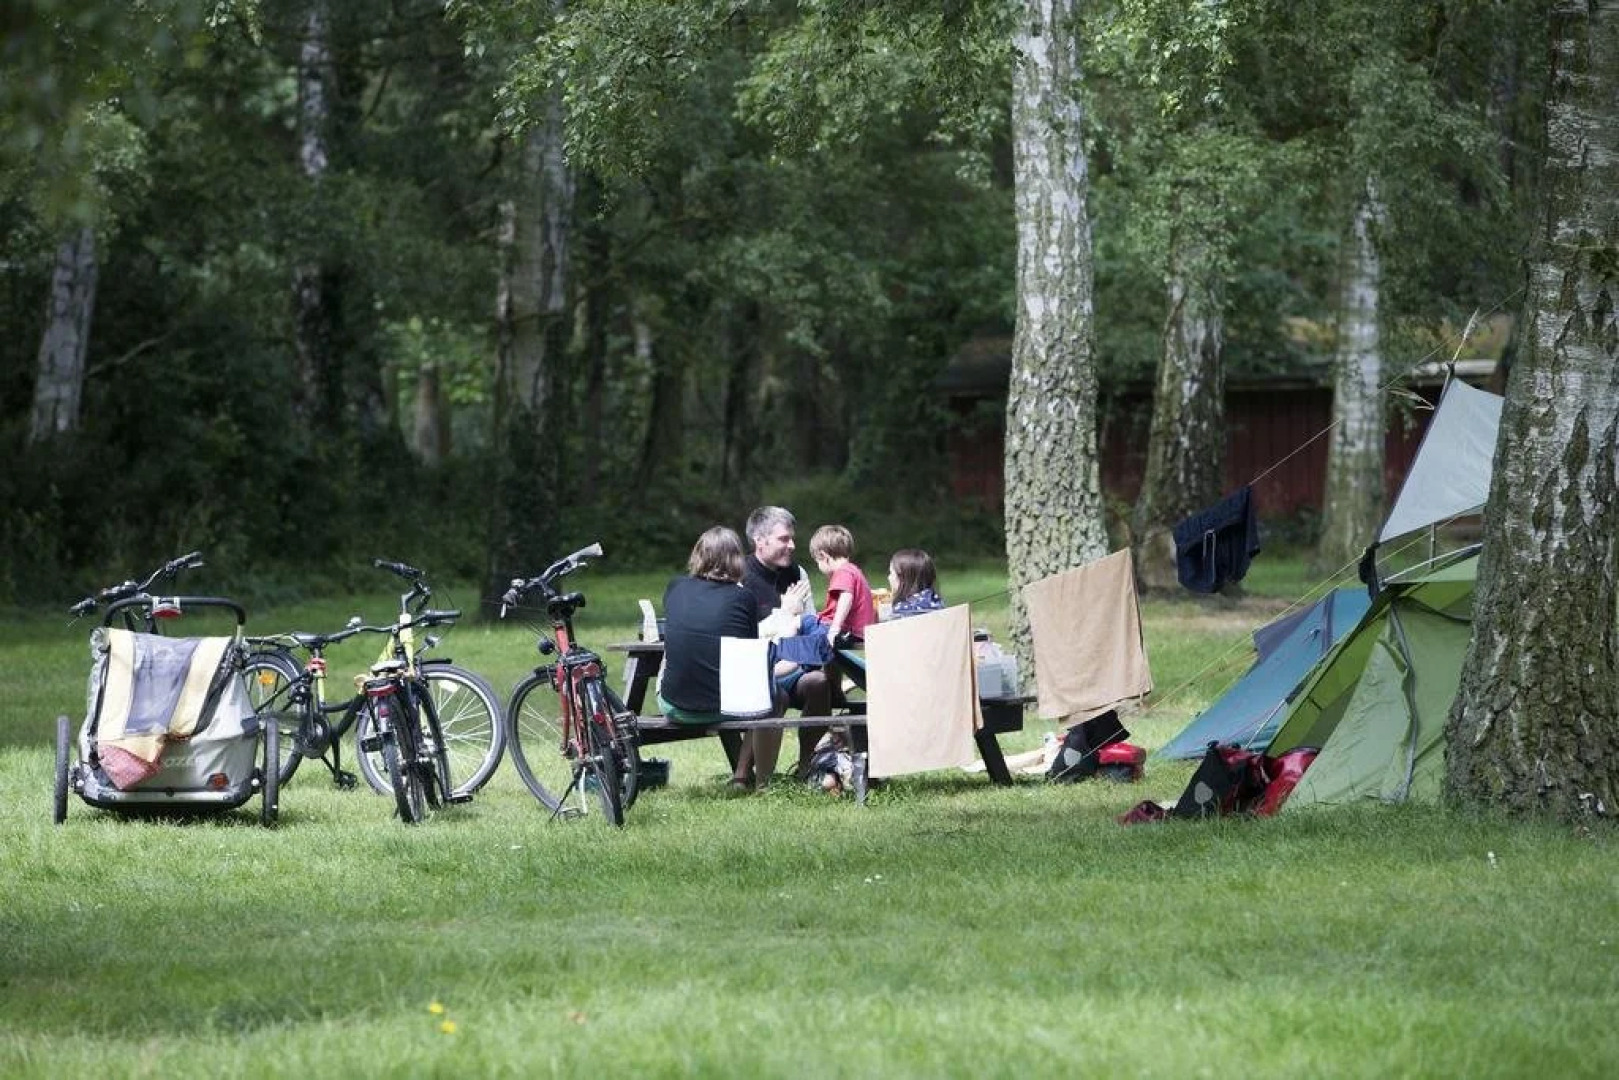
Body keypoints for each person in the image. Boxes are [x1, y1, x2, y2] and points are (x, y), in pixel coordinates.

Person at [740, 506, 833, 780]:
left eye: (792, 538)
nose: (792, 545)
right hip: (754, 670)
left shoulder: (797, 573)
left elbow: (809, 625)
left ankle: (806, 768)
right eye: (783, 539)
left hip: (793, 665)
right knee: (772, 692)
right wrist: (785, 614)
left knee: (819, 683)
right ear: (760, 540)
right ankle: (743, 774)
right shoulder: (740, 577)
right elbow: (742, 639)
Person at [888, 548, 945, 618]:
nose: (889, 578)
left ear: (903, 579)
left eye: (891, 573)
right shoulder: (935, 601)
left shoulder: (903, 611)